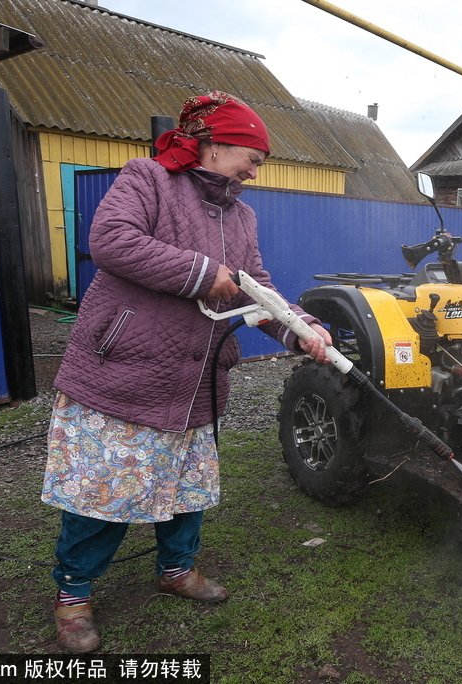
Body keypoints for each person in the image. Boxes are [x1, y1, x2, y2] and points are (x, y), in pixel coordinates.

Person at [40, 91, 332, 653]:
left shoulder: (242, 215)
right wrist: (203, 273)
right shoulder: (146, 179)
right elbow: (112, 241)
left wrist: (299, 327)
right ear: (214, 143)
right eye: (251, 155)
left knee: (184, 488)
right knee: (104, 493)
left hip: (195, 378)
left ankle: (176, 569)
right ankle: (74, 595)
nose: (255, 168)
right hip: (124, 373)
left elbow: (255, 288)